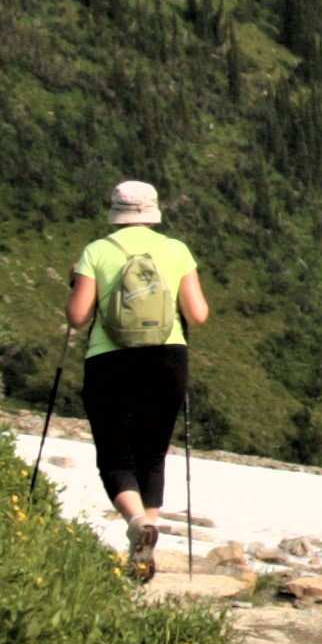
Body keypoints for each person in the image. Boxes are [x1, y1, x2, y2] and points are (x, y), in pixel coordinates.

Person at [67, 178, 208, 581]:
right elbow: (198, 314)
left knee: (114, 455)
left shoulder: (96, 251)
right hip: (167, 358)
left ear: (115, 211)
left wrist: (75, 285)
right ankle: (146, 537)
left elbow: (78, 317)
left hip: (109, 360)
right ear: (152, 211)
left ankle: (136, 526)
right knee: (152, 454)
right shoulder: (177, 250)